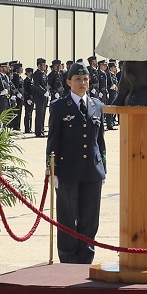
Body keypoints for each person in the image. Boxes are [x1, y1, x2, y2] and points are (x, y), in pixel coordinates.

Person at [47, 62, 106, 264]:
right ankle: (68, 258)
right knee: (67, 217)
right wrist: (52, 169)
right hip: (68, 171)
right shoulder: (59, 107)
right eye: (78, 79)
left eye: (86, 79)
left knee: (90, 218)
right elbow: (53, 140)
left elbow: (100, 141)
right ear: (69, 82)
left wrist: (103, 168)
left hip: (92, 170)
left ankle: (86, 257)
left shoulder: (97, 106)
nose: (83, 83)